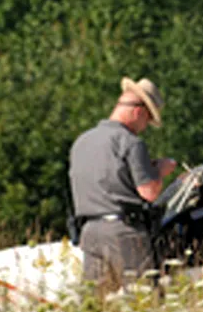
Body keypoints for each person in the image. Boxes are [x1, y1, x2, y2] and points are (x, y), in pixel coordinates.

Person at [68, 77, 177, 292]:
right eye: (147, 120)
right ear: (138, 112)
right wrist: (160, 170)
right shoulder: (131, 142)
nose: (144, 127)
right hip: (123, 232)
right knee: (144, 299)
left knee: (95, 303)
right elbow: (149, 192)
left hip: (89, 232)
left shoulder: (82, 142)